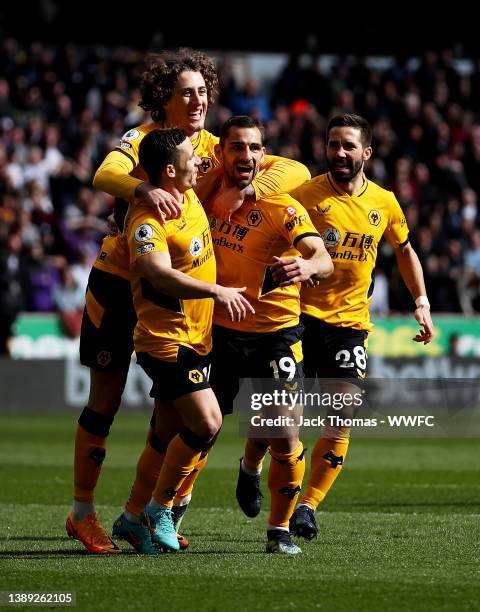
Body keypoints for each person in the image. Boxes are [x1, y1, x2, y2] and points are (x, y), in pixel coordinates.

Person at [67, 48, 310, 554]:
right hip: (119, 280)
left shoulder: (217, 149)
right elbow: (102, 176)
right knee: (105, 403)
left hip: (180, 301)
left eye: (203, 91)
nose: (198, 100)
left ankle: (143, 513)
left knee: (173, 420)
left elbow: (293, 170)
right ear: (166, 97)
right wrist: (143, 189)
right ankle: (83, 512)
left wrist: (247, 181)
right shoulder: (143, 141)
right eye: (187, 92)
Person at [237, 113, 434, 541]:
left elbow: (405, 250)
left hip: (348, 324)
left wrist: (421, 302)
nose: (339, 153)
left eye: (347, 146)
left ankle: (306, 507)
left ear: (366, 152)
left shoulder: (384, 202)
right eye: (332, 145)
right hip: (296, 318)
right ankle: (250, 466)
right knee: (279, 419)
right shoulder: (305, 195)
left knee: (342, 413)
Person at [115, 127, 253, 553]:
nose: (200, 162)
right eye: (192, 157)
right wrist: (216, 292)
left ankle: (130, 518)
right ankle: (161, 508)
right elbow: (156, 272)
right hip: (166, 341)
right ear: (171, 169)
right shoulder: (146, 218)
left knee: (164, 433)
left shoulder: (188, 195)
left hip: (198, 337)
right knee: (208, 423)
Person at [208, 116, 333, 554]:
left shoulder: (283, 205)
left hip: (274, 334)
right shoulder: (205, 198)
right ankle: (167, 509)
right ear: (222, 153)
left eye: (254, 148)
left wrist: (309, 266)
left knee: (283, 429)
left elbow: (322, 258)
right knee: (199, 426)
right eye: (237, 148)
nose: (246, 156)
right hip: (218, 329)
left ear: (265, 155)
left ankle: (278, 530)